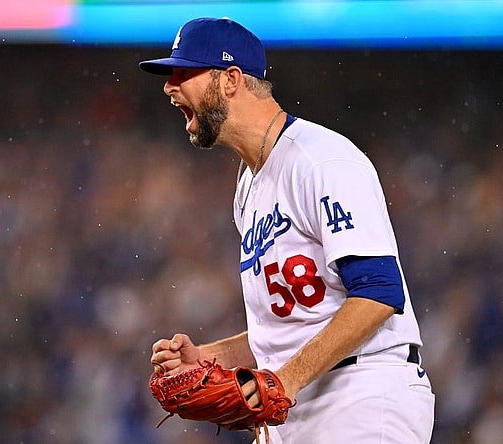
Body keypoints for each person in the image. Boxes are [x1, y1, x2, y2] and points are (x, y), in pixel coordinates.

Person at [139, 17, 435, 443]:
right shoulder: (249, 185)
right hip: (295, 410)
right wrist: (207, 358)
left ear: (231, 80)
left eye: (184, 72)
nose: (169, 87)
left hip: (364, 395)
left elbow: (378, 293)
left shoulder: (323, 160)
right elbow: (282, 335)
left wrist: (283, 383)